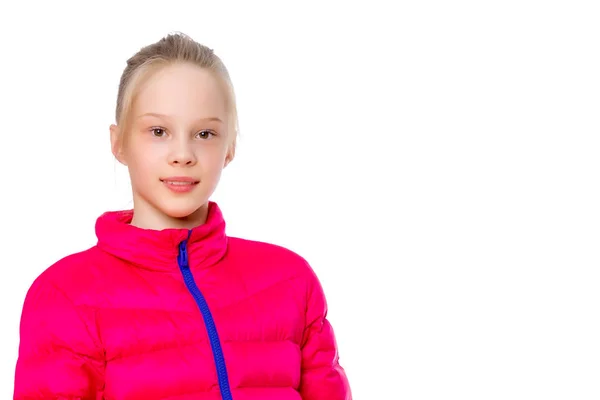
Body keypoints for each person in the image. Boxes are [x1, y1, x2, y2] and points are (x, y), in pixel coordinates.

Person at [13, 32, 352, 399]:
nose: (183, 154)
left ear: (230, 147)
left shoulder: (291, 281)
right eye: (158, 131)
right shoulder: (67, 295)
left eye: (204, 133)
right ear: (119, 142)